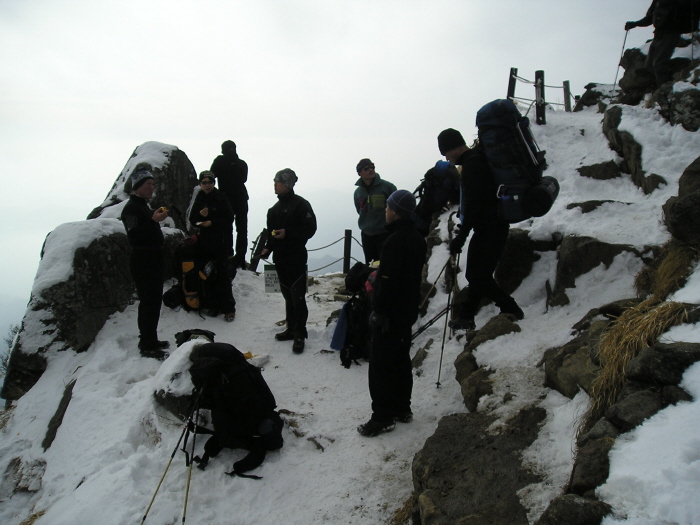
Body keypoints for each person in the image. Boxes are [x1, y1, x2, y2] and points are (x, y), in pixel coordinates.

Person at [437, 128, 524, 331]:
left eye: (445, 153)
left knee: (478, 276)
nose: (446, 158)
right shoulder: (477, 159)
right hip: (492, 225)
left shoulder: (473, 165)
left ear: (452, 148)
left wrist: (462, 236)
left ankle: (511, 308)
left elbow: (473, 204)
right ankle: (467, 316)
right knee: (477, 274)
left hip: (490, 228)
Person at [357, 190, 427, 437]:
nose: (385, 210)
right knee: (399, 359)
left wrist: (378, 311)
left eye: (388, 207)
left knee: (380, 365)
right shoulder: (418, 239)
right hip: (406, 311)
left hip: (389, 314)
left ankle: (382, 417)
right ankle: (401, 408)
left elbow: (388, 282)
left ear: (395, 211)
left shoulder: (394, 241)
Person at [260, 169, 317, 354]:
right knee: (287, 294)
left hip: (296, 256)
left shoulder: (301, 205)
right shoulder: (274, 210)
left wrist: (288, 233)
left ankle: (300, 333)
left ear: (287, 184)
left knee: (297, 295)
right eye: (275, 181)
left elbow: (310, 228)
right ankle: (291, 328)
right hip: (280, 257)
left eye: (277, 182)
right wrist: (268, 247)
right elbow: (272, 234)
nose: (274, 184)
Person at [120, 168, 170, 359]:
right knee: (148, 302)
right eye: (148, 185)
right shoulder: (131, 208)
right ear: (137, 187)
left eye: (153, 184)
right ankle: (147, 344)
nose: (152, 188)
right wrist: (153, 220)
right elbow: (134, 236)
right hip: (143, 260)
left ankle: (151, 339)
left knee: (154, 301)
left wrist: (154, 216)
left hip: (152, 259)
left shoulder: (142, 206)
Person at [188, 171, 237, 321]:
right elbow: (192, 219)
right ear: (200, 184)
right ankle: (213, 305)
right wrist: (201, 217)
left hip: (220, 242)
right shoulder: (200, 198)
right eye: (204, 183)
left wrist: (212, 222)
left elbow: (229, 218)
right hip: (204, 243)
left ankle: (228, 308)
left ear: (214, 183)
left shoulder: (221, 197)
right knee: (207, 274)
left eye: (210, 182)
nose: (207, 185)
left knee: (223, 275)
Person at [625, 0, 700, 88]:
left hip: (671, 34)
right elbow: (649, 18)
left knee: (659, 64)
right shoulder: (657, 1)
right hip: (658, 35)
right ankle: (664, 87)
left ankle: (665, 90)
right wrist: (635, 24)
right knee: (649, 66)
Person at [210, 140, 249, 269]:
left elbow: (211, 176)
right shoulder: (242, 164)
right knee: (242, 229)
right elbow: (243, 179)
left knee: (227, 227)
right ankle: (241, 258)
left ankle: (229, 255)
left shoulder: (219, 161)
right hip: (241, 198)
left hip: (225, 199)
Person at [353, 158, 397, 264]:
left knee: (386, 264)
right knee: (371, 264)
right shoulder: (358, 192)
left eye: (372, 167)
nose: (370, 170)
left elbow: (396, 209)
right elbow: (360, 210)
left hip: (385, 233)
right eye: (366, 168)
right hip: (367, 234)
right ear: (359, 173)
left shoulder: (388, 187)